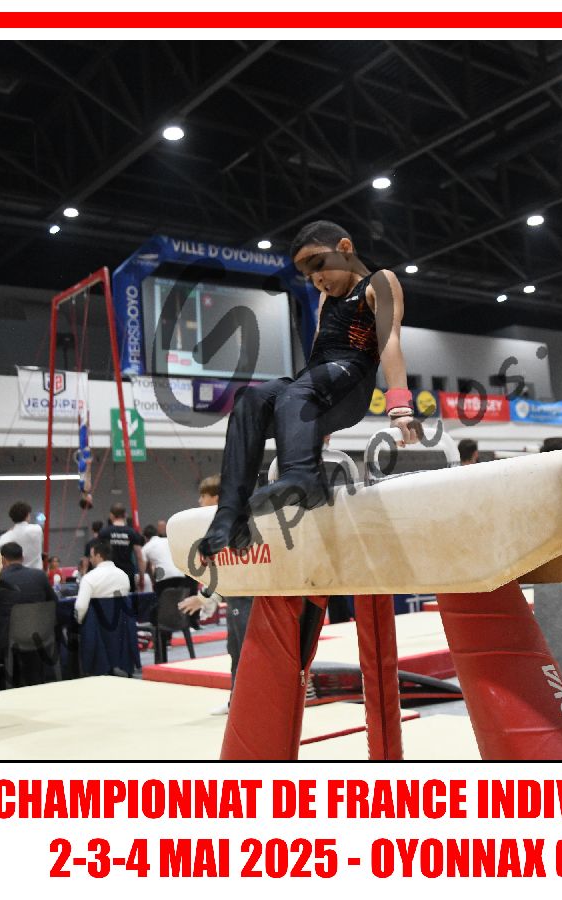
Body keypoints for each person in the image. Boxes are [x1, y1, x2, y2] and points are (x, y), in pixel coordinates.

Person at [197, 220, 423, 561]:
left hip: (352, 383)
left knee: (294, 394)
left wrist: (400, 408)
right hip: (319, 386)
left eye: (319, 265)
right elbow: (318, 352)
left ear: (344, 249)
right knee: (250, 400)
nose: (317, 279)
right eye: (309, 274)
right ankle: (231, 512)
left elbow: (390, 340)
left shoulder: (379, 281)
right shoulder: (324, 297)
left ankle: (304, 477)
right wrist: (309, 424)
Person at [181, 474, 251, 715]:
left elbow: (232, 569)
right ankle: (237, 702)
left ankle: (251, 702)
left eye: (203, 496)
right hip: (234, 594)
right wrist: (205, 597)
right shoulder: (217, 527)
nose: (199, 501)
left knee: (245, 652)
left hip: (248, 596)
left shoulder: (235, 524)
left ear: (217, 498)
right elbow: (223, 570)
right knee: (235, 650)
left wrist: (204, 597)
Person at [0, 541, 59, 674]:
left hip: (10, 638)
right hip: (41, 634)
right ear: (22, 558)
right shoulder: (40, 576)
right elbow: (54, 602)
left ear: (3, 560)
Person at [75, 540, 131, 625]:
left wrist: (79, 622)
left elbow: (80, 608)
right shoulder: (124, 576)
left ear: (98, 556)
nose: (90, 560)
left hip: (97, 629)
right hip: (121, 628)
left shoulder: (88, 578)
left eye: (91, 556)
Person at [98, 503, 147, 590]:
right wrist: (141, 577)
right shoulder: (132, 532)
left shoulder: (104, 533)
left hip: (110, 574)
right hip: (128, 574)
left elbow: (99, 555)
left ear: (111, 515)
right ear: (125, 515)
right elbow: (139, 556)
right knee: (128, 598)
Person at [0, 501, 44, 570]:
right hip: (36, 573)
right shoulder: (37, 529)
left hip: (14, 573)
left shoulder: (5, 537)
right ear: (27, 515)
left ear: (12, 518)